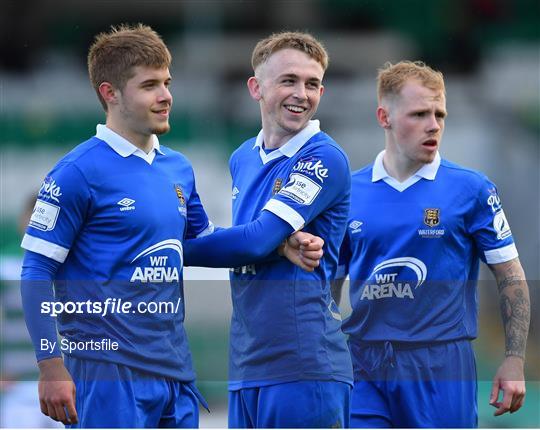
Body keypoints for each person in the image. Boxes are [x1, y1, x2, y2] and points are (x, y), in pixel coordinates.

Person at [19, 24, 322, 428]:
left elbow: (202, 242)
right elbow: (36, 269)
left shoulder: (177, 168)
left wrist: (277, 245)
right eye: (149, 86)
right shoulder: (77, 172)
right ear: (110, 94)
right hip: (107, 371)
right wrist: (50, 365)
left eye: (167, 82)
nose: (165, 96)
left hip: (174, 371)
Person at [334, 60, 531, 427]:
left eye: (439, 114)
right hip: (362, 363)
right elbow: (330, 287)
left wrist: (514, 358)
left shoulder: (471, 190)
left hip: (441, 365)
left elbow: (511, 276)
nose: (434, 125)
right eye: (420, 114)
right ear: (384, 117)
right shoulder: (348, 193)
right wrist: (322, 354)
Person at [184, 32, 353, 428]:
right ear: (256, 88)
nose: (302, 94)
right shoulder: (243, 156)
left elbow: (255, 238)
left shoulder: (323, 157)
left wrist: (163, 248)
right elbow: (254, 241)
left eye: (312, 84)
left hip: (304, 365)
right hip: (247, 365)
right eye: (289, 80)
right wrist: (278, 247)